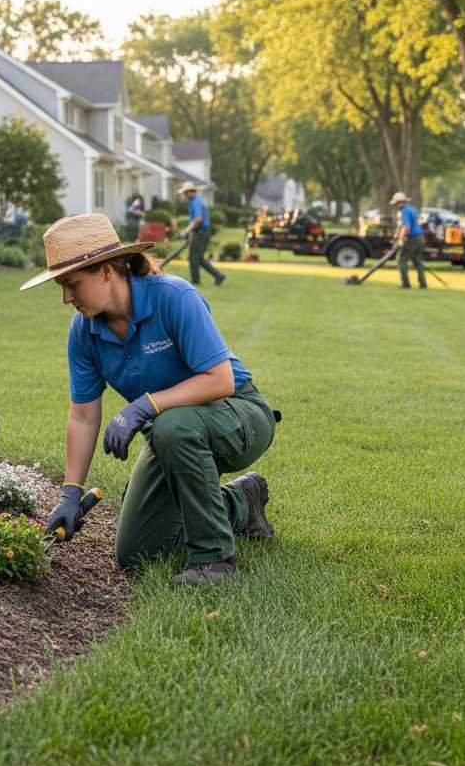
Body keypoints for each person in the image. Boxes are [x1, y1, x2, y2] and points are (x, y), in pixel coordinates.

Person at [20, 213, 277, 586]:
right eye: (61, 286)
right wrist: (70, 493)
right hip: (173, 432)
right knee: (136, 550)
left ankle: (214, 560)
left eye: (72, 284)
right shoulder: (84, 332)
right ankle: (243, 501)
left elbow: (219, 380)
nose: (66, 298)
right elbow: (83, 416)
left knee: (171, 425)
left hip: (239, 415)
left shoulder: (174, 297)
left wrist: (145, 405)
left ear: (106, 271)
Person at [179, 183, 225, 287]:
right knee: (199, 258)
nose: (185, 195)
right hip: (202, 232)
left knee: (194, 257)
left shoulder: (195, 202)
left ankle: (195, 280)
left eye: (186, 192)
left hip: (200, 232)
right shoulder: (197, 200)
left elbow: (198, 219)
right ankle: (218, 276)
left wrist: (187, 231)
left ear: (191, 191)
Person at [390, 191, 427, 289]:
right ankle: (423, 283)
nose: (396, 206)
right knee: (417, 261)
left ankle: (405, 283)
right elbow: (402, 225)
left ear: (400, 203)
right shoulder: (412, 209)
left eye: (397, 204)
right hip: (419, 237)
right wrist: (396, 236)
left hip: (412, 238)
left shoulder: (404, 211)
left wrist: (400, 239)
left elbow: (406, 227)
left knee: (401, 260)